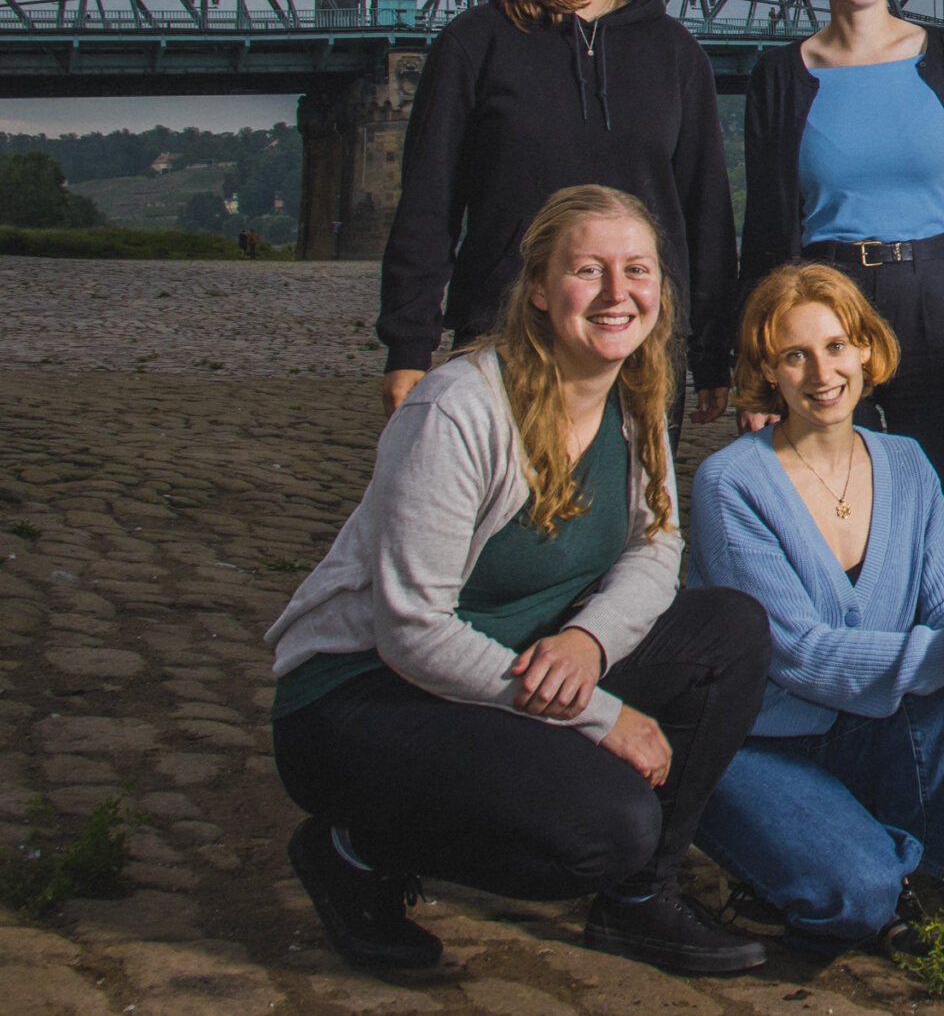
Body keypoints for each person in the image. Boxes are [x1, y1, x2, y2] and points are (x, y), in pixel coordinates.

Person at [267, 186, 773, 976]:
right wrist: (600, 714)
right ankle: (354, 848)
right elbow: (412, 630)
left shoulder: (637, 390)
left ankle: (640, 900)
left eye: (637, 269)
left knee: (730, 631)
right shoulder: (457, 410)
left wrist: (588, 641)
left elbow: (656, 544)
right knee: (607, 828)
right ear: (539, 287)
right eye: (588, 269)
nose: (617, 292)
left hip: (522, 663)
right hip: (363, 693)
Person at [735, 0, 944, 877]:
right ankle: (848, 780)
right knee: (829, 548)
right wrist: (754, 371)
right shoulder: (780, 75)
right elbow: (766, 229)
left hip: (940, 310)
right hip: (823, 311)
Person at [689, 263, 944, 951]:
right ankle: (860, 868)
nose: (821, 372)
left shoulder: (906, 461)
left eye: (835, 346)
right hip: (760, 742)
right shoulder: (730, 481)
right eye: (795, 355)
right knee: (857, 896)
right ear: (767, 370)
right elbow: (799, 654)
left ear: (865, 349)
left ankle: (924, 870)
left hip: (866, 730)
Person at [377, 0, 735, 426]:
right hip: (505, 332)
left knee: (631, 490)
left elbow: (705, 213)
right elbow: (428, 203)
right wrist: (408, 346)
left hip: (639, 340)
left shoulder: (676, 53)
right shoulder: (473, 44)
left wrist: (712, 354)